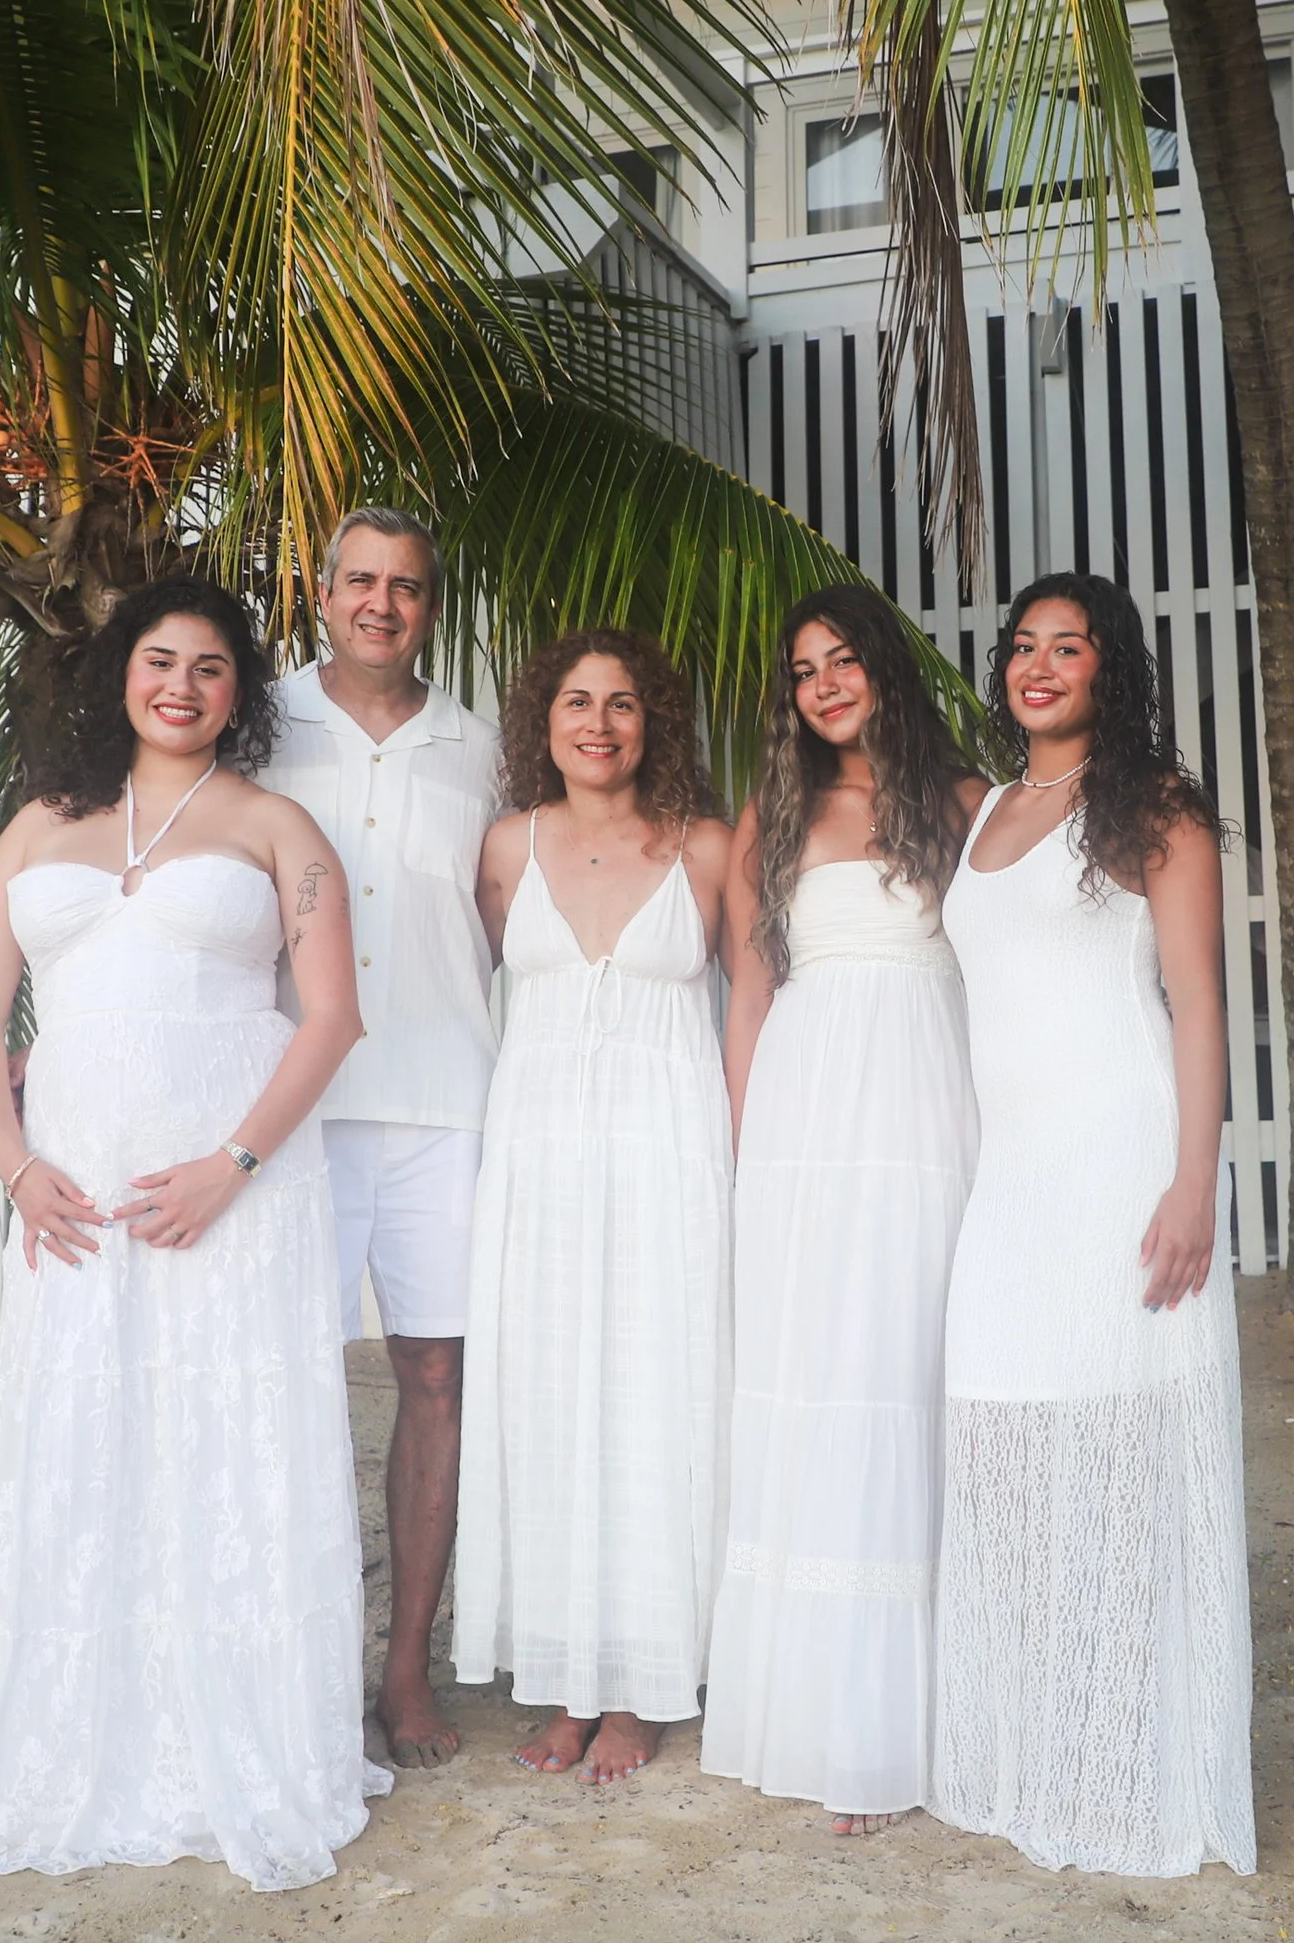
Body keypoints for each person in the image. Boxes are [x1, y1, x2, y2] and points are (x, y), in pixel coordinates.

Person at [0, 578, 386, 1894]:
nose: (183, 684)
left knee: (228, 1438)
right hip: (76, 1197)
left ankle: (250, 1736)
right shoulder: (36, 827)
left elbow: (331, 1017)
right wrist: (16, 1165)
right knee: (85, 1435)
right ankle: (85, 1742)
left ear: (241, 691)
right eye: (161, 660)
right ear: (122, 673)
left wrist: (232, 1165)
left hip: (232, 1191)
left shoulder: (279, 826)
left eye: (213, 666)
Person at [933, 572, 1255, 1878]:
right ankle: (1036, 1744)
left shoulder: (1156, 811)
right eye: (1023, 645)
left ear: (1109, 668)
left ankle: (1128, 1760)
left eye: (1069, 646)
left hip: (1122, 1158)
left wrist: (1194, 1178)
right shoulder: (984, 807)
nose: (1041, 664)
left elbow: (1197, 1002)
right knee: (1009, 1434)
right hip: (1009, 1175)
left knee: (1117, 1441)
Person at [700, 580, 987, 1835]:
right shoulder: (776, 812)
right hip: (809, 1120)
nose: (822, 684)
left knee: (909, 1373)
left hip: (925, 1112)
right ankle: (826, 1712)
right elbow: (749, 997)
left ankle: (918, 1719)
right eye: (801, 669)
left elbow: (1002, 981)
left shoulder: (967, 804)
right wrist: (745, 1153)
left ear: (884, 665)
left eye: (842, 660)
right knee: (816, 1380)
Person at [453, 629, 734, 1785]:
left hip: (671, 1153)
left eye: (622, 704)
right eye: (577, 701)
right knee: (555, 1397)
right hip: (544, 1160)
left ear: (652, 719)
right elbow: (463, 991)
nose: (600, 723)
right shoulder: (506, 845)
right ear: (544, 717)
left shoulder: (709, 847)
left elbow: (761, 998)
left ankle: (644, 1685)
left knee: (660, 1397)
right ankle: (569, 1678)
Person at [256, 507, 504, 1768]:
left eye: (407, 584)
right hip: (290, 1107)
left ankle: (405, 1671)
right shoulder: (257, 721)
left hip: (444, 1102)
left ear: (432, 602)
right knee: (281, 1379)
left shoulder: (484, 744)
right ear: (322, 590)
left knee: (437, 1380)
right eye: (360, 580)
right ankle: (291, 1671)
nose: (381, 603)